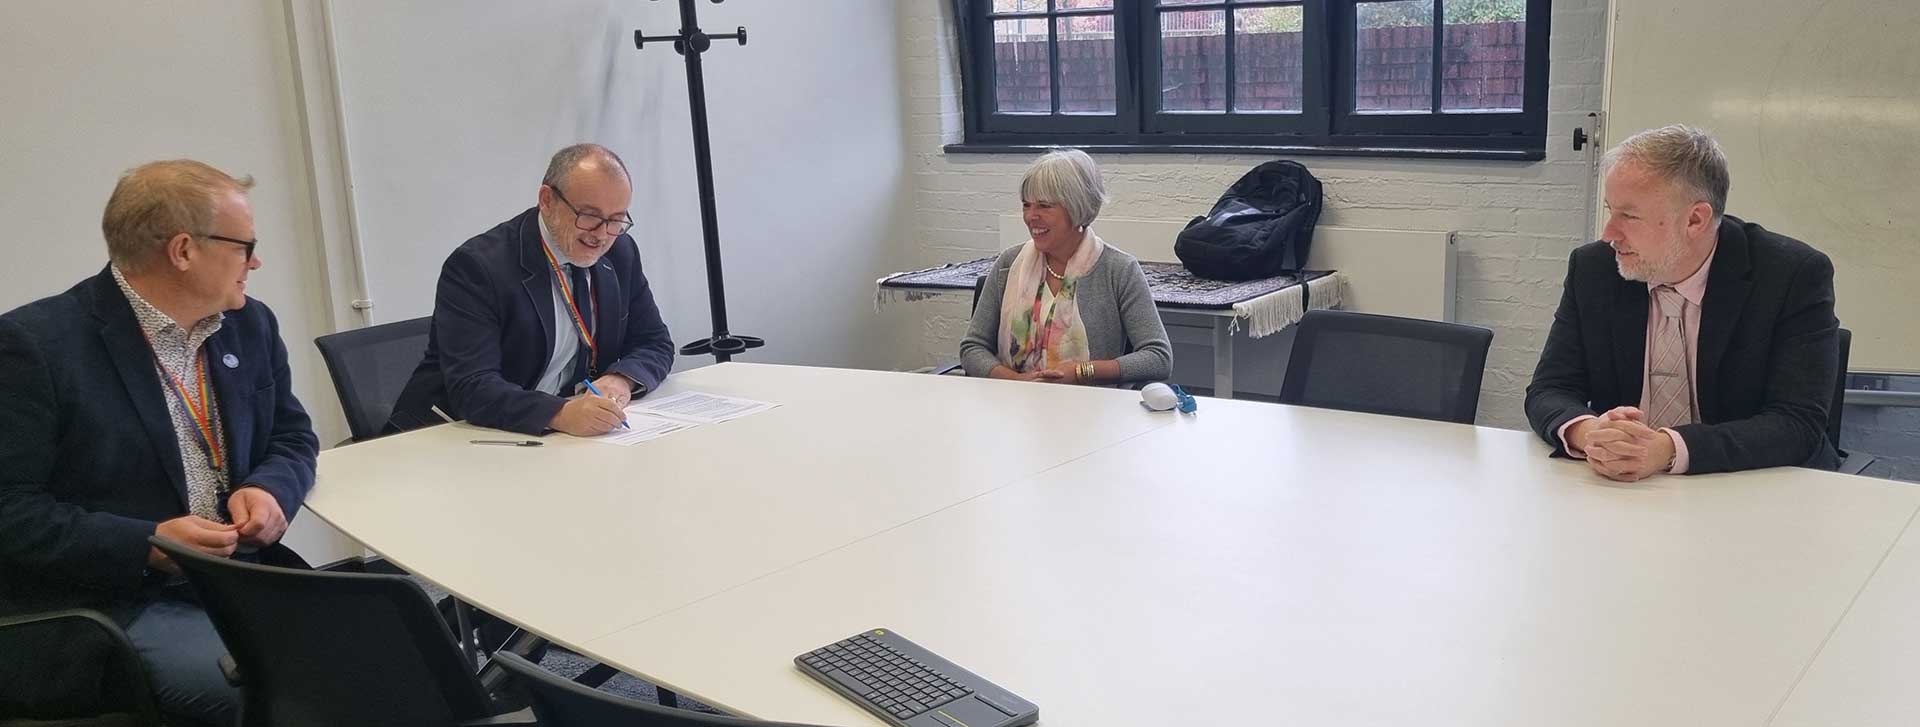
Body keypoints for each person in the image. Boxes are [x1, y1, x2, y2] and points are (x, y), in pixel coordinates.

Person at [0, 160, 319, 724]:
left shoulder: (249, 325)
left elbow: (292, 435)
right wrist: (147, 542)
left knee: (386, 655)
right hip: (117, 598)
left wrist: (271, 490)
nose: (257, 260)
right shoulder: (35, 347)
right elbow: (10, 512)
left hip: (241, 577)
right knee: (292, 697)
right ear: (183, 250)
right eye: (246, 245)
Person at [1524, 125, 1839, 481]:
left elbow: (1797, 422)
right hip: (1622, 491)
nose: (1608, 233)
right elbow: (1550, 389)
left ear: (1695, 219)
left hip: (1748, 489)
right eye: (1610, 210)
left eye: (1628, 215)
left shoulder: (1791, 275)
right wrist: (1591, 432)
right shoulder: (1594, 268)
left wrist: (1668, 448)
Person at [390, 143, 673, 436]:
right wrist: (559, 413)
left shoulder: (620, 253)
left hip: (559, 439)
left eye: (616, 220)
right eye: (588, 216)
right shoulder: (479, 266)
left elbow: (655, 342)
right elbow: (472, 386)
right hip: (457, 435)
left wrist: (620, 379)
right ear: (547, 200)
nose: (601, 235)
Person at [960, 149, 1172, 385]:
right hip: (1012, 406)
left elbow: (1158, 358)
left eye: (1044, 206)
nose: (1031, 216)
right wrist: (1016, 381)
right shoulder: (1008, 264)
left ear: (1077, 207)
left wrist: (1082, 372)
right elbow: (972, 348)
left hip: (1092, 410)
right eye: (1026, 205)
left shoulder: (1118, 270)